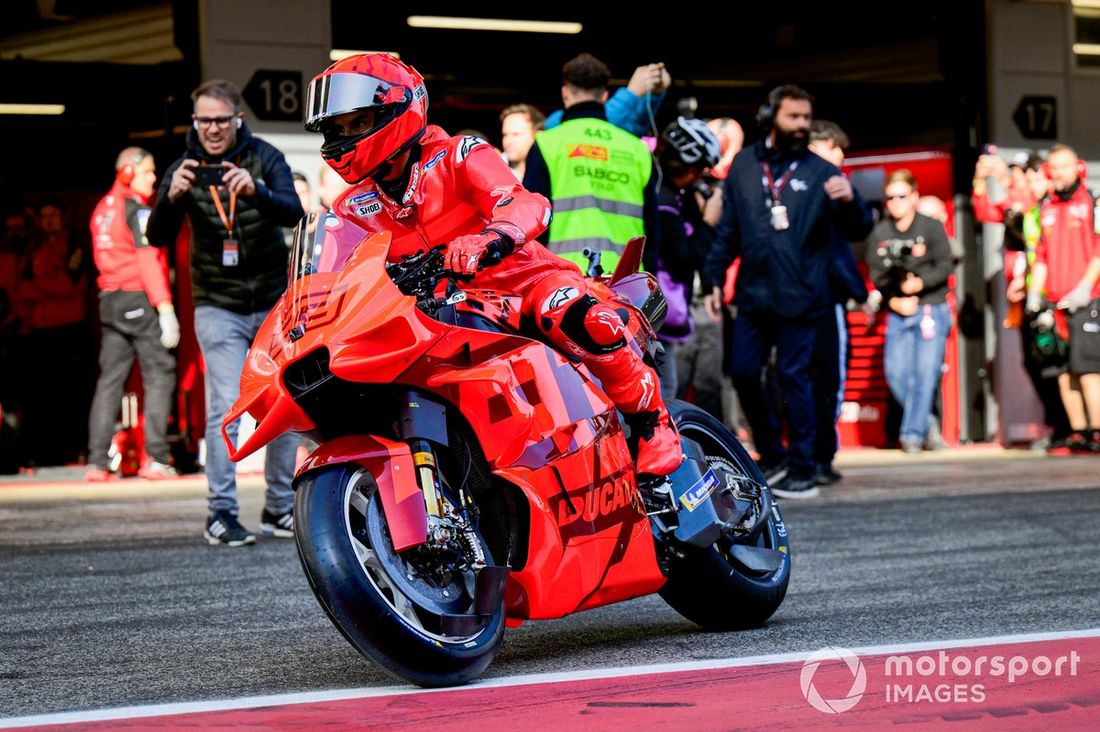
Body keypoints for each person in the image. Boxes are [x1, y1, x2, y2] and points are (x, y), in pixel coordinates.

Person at [303, 52, 681, 477]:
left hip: (522, 283)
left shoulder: (458, 154)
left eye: (360, 122)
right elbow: (331, 278)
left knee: (570, 312)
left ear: (398, 112)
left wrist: (491, 237)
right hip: (439, 312)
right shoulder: (351, 208)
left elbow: (524, 202)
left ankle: (653, 422)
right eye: (340, 128)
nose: (349, 136)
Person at [147, 79, 304, 546]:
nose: (212, 129)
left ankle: (279, 509)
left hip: (274, 302)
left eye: (220, 119)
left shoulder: (265, 157)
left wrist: (256, 192)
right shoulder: (185, 168)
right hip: (218, 305)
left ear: (238, 118)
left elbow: (294, 213)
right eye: (204, 120)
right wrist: (170, 197)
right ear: (195, 122)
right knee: (226, 408)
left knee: (283, 402)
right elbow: (155, 236)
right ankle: (220, 514)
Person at [703, 85, 873, 499]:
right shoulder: (743, 166)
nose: (801, 125)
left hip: (803, 295)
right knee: (743, 372)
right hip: (754, 294)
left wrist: (852, 200)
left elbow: (859, 229)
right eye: (793, 117)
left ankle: (803, 468)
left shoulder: (822, 172)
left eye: (805, 118)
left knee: (794, 377)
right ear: (769, 116)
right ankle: (774, 454)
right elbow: (729, 230)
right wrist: (712, 276)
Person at [86, 148, 180, 481]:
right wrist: (165, 308)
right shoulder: (136, 211)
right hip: (137, 297)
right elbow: (148, 260)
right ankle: (155, 458)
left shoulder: (101, 209)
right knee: (160, 371)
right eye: (148, 172)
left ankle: (96, 462)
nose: (154, 178)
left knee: (110, 380)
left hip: (109, 300)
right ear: (127, 172)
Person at [523, 52, 658, 275]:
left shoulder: (547, 144)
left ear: (565, 92)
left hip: (563, 282)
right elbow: (653, 230)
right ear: (604, 96)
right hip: (626, 283)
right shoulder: (636, 149)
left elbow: (532, 224)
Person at [866, 170, 954, 454]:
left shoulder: (930, 227)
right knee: (895, 374)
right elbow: (877, 274)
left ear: (914, 197)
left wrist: (920, 283)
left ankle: (913, 435)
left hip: (931, 306)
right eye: (890, 197)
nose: (895, 202)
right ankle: (927, 423)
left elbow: (945, 265)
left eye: (901, 196)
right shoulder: (880, 232)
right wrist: (893, 301)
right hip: (898, 311)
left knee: (926, 373)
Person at [806, 120, 870, 484]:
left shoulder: (834, 189)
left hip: (809, 297)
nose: (840, 157)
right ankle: (817, 457)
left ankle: (815, 456)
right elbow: (839, 251)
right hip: (820, 299)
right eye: (836, 149)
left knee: (815, 380)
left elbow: (857, 228)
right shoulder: (823, 185)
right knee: (826, 379)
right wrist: (858, 292)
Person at [1026, 144, 1100, 452]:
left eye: (1064, 167)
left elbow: (1098, 252)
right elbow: (1041, 256)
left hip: (1087, 300)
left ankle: (1097, 431)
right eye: (1052, 168)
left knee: (1088, 371)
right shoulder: (1046, 208)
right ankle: (1078, 432)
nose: (1057, 173)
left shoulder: (1092, 202)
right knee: (1062, 372)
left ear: (1078, 167)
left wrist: (1084, 288)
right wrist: (1035, 292)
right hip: (1054, 303)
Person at [17, 197, 92, 466]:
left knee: (69, 394)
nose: (48, 220)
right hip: (39, 332)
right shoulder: (32, 249)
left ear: (63, 217)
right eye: (44, 215)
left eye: (53, 215)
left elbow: (68, 285)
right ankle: (42, 454)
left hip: (69, 330)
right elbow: (19, 287)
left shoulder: (75, 246)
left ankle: (74, 450)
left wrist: (39, 289)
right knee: (40, 395)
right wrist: (46, 290)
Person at [652, 117, 722, 398]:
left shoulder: (667, 192)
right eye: (700, 169)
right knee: (665, 391)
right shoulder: (665, 203)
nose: (699, 177)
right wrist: (708, 224)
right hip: (655, 314)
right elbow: (682, 262)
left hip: (652, 310)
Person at [543, 62, 671, 138]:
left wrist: (655, 95)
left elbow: (635, 126)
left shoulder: (553, 124)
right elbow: (590, 124)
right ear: (605, 96)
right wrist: (631, 93)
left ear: (564, 93)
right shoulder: (555, 123)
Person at [500, 104, 545, 181]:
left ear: (538, 135)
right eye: (505, 135)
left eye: (516, 134)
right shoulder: (493, 171)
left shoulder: (552, 167)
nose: (508, 141)